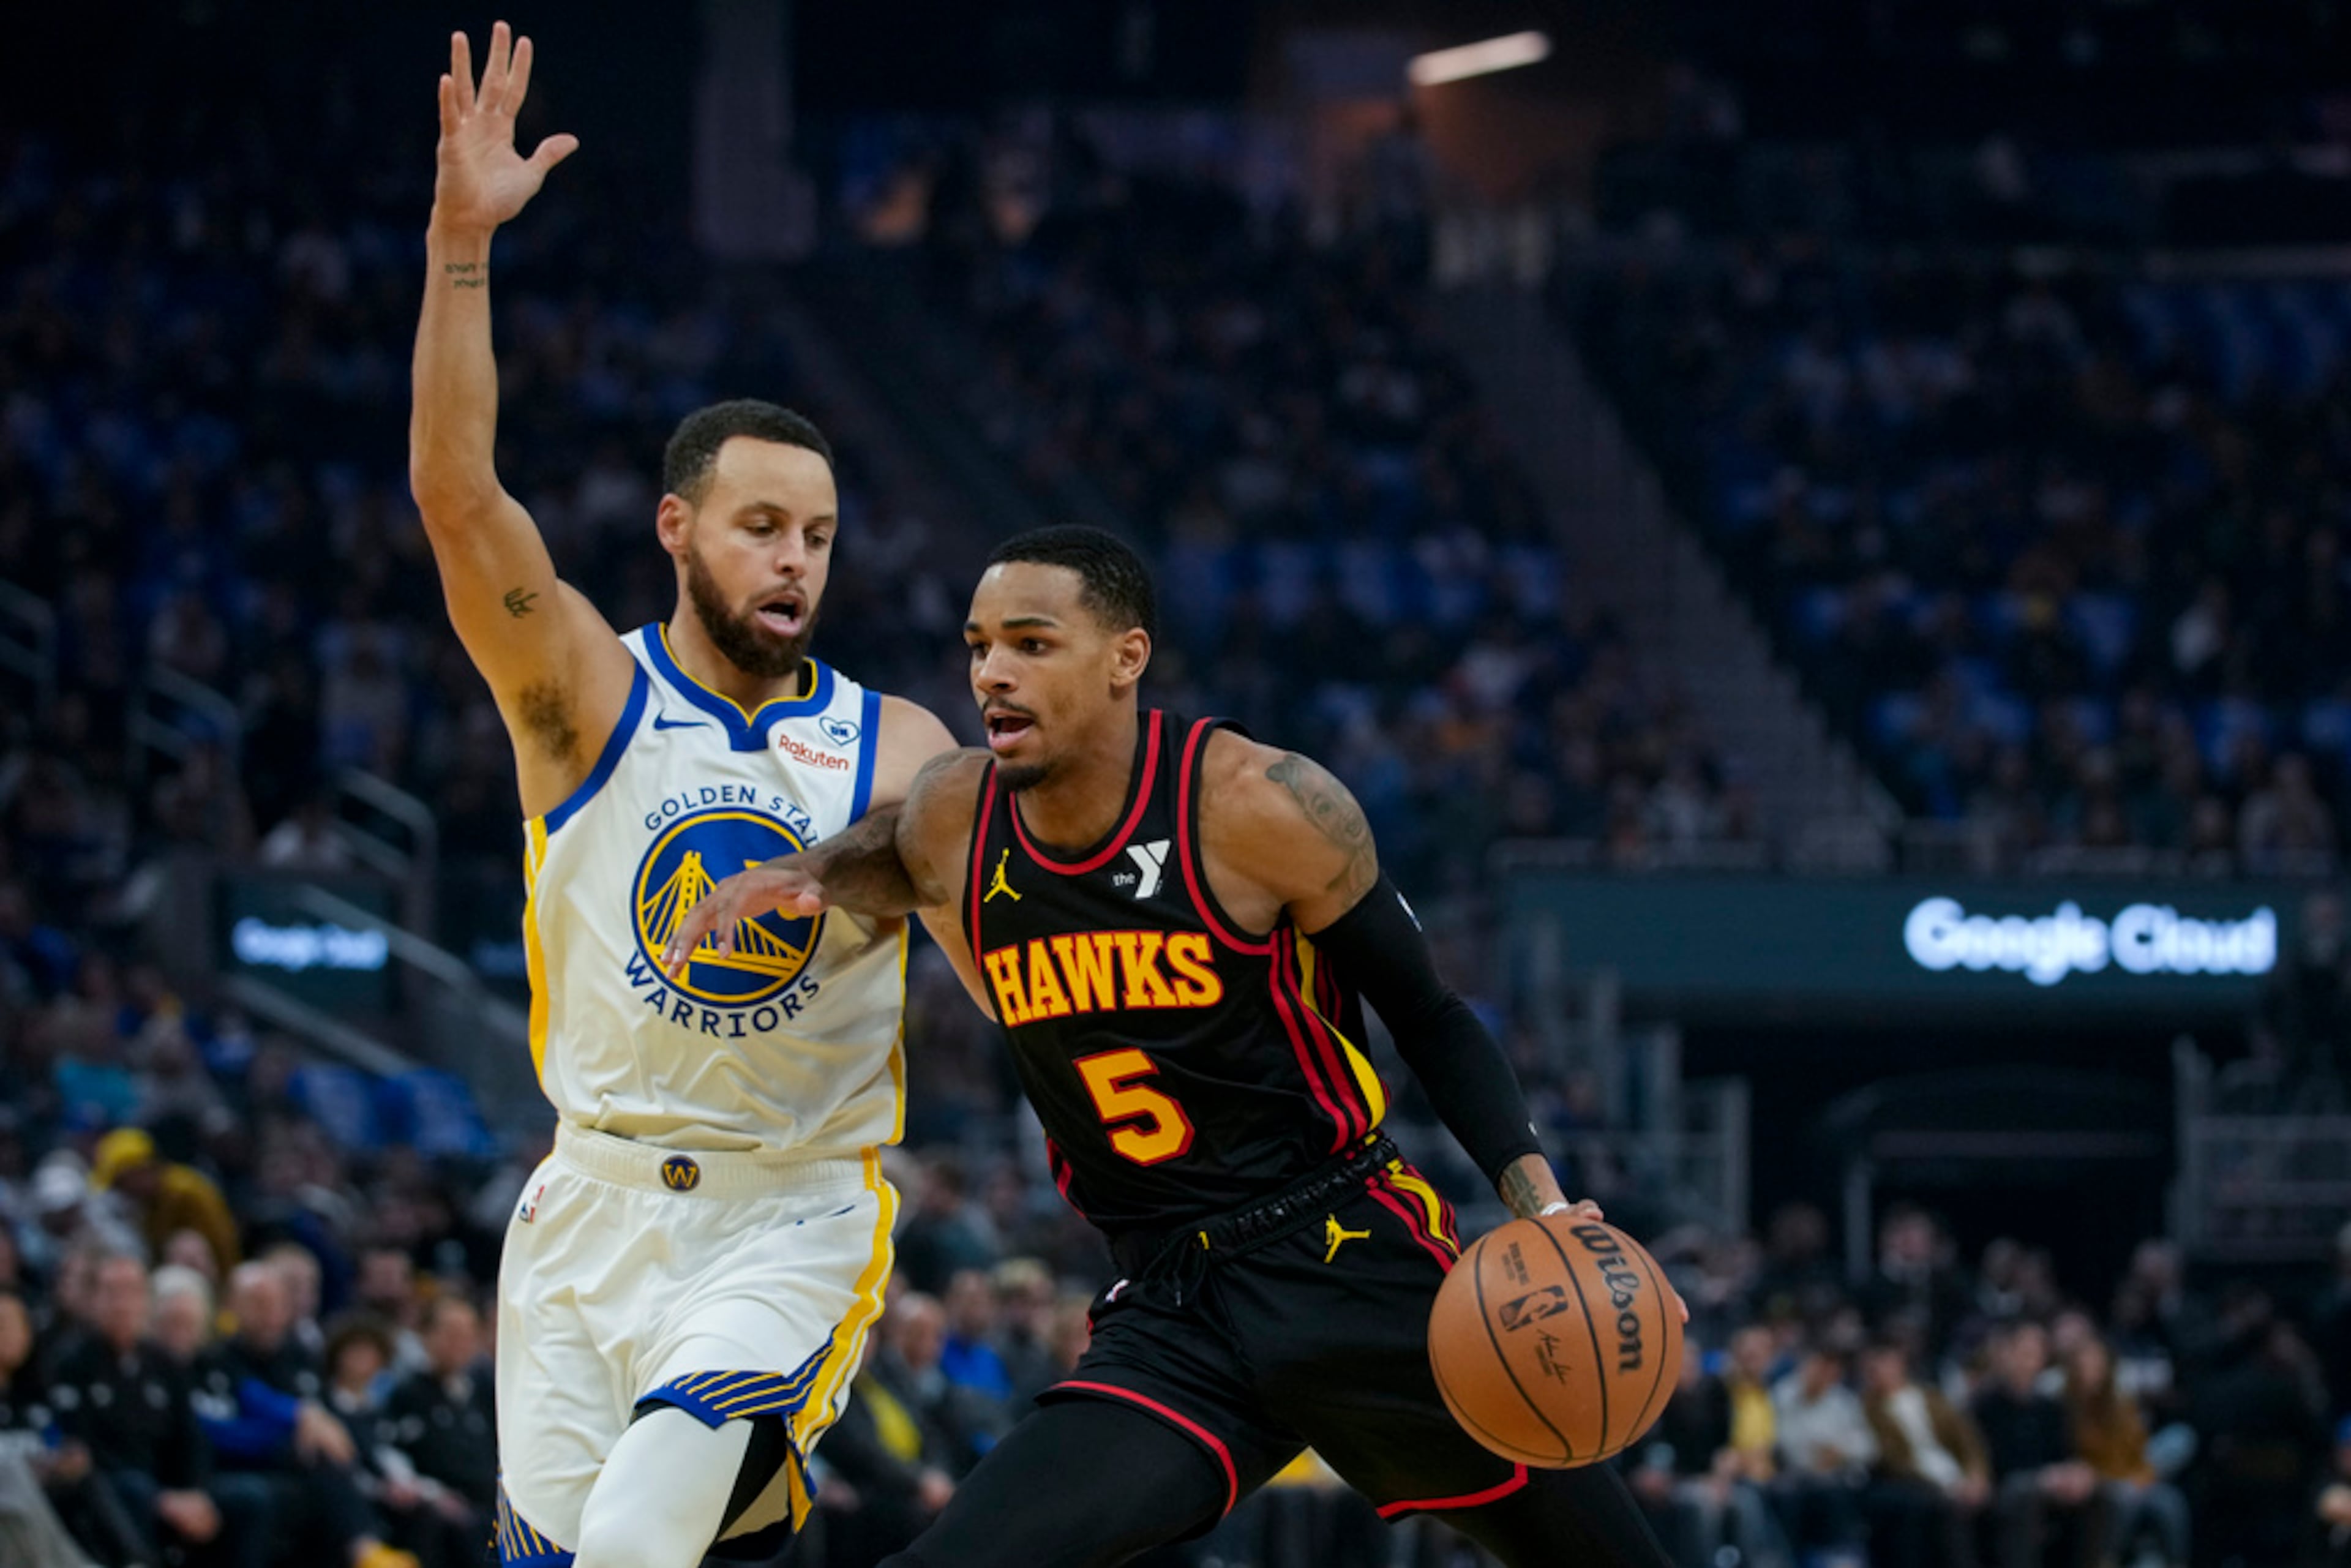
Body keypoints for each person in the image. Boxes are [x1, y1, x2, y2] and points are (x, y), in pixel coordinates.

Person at [669, 525, 1674, 1566]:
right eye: (978, 647)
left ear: (1126, 658)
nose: (993, 673)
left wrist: (1544, 1208)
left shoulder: (1259, 804)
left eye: (1030, 642)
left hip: (1346, 1261)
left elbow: (1431, 1013)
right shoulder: (957, 816)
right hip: (1175, 1308)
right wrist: (812, 871)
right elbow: (900, 856)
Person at [407, 23, 958, 1567]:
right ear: (677, 529)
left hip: (786, 1216)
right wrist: (462, 241)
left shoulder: (899, 746)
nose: (796, 560)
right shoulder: (583, 694)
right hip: (584, 1208)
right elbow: (458, 498)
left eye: (822, 536)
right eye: (764, 526)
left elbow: (1008, 947)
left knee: (646, 1537)